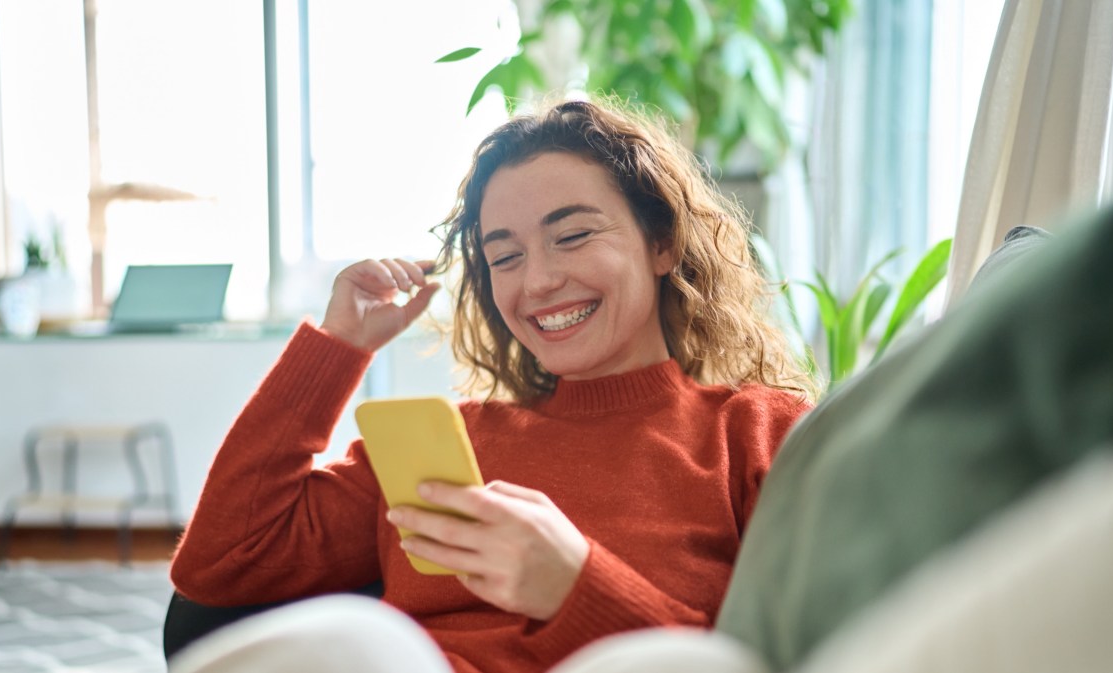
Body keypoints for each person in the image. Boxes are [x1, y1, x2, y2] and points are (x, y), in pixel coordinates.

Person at [168, 98, 814, 673]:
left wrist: (578, 585)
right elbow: (221, 562)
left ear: (662, 242)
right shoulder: (450, 447)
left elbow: (802, 652)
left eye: (572, 235)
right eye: (505, 256)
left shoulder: (759, 435)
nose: (537, 283)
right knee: (361, 642)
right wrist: (337, 348)